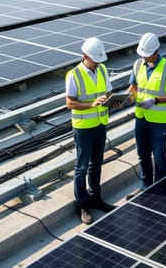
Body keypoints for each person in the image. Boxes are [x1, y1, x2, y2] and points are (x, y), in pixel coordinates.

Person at [65, 37, 116, 224]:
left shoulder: (101, 69)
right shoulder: (74, 75)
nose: (98, 63)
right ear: (85, 56)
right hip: (84, 128)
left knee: (97, 163)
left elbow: (108, 92)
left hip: (100, 124)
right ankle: (82, 204)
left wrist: (113, 101)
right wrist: (91, 104)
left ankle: (96, 197)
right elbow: (70, 103)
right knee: (81, 167)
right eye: (95, 59)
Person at [127, 32, 166, 195]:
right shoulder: (137, 65)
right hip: (141, 118)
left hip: (159, 120)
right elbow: (133, 87)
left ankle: (161, 188)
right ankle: (145, 185)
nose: (145, 58)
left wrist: (156, 100)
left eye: (147, 55)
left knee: (159, 157)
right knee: (142, 154)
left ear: (156, 50)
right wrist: (130, 95)